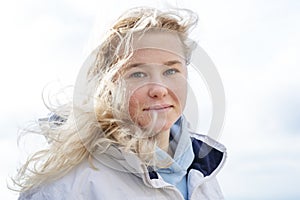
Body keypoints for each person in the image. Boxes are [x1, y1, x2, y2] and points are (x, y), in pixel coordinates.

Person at [12, 6, 226, 200]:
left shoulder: (203, 177)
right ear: (108, 87)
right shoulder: (70, 185)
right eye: (138, 74)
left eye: (171, 71)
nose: (160, 89)